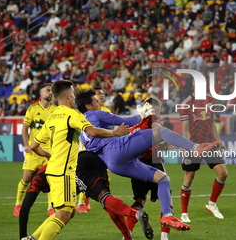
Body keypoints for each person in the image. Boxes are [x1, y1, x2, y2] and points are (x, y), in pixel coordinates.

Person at [77, 89, 221, 231]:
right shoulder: (94, 113)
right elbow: (126, 121)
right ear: (88, 106)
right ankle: (195, 147)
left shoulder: (81, 128)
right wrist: (141, 114)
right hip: (119, 149)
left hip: (114, 163)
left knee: (162, 178)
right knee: (161, 132)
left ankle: (166, 217)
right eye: (96, 101)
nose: (99, 102)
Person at [22, 80, 131, 240]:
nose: (74, 98)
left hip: (52, 171)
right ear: (67, 96)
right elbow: (92, 131)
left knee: (68, 212)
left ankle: (31, 238)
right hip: (64, 173)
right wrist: (116, 133)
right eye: (73, 94)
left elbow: (33, 146)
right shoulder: (72, 114)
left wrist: (49, 156)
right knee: (63, 215)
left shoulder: (52, 117)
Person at [20, 151, 151, 240]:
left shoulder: (37, 180)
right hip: (91, 157)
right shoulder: (55, 173)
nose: (45, 192)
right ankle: (128, 237)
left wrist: (22, 235)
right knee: (105, 201)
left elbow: (25, 208)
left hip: (78, 166)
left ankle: (135, 213)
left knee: (64, 214)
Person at [178, 78, 228, 223]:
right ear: (193, 83)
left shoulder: (211, 100)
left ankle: (211, 204)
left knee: (223, 173)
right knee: (189, 178)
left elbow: (212, 124)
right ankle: (184, 214)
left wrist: (218, 141)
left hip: (210, 144)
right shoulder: (186, 104)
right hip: (194, 146)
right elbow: (185, 129)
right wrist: (186, 146)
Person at [126, 97, 175, 240]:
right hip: (153, 162)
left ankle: (127, 235)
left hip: (136, 164)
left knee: (139, 200)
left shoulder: (134, 123)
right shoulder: (154, 119)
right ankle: (164, 237)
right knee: (166, 201)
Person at [14, 83, 57, 217]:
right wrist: (26, 145)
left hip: (49, 151)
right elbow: (25, 128)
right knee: (26, 178)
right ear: (41, 93)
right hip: (34, 150)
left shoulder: (55, 110)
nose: (50, 93)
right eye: (48, 90)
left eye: (52, 91)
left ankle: (50, 207)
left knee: (51, 179)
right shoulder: (33, 109)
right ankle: (18, 205)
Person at [76, 86, 111, 213]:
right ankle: (80, 202)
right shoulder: (84, 113)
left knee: (105, 175)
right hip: (89, 147)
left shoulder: (106, 110)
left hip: (104, 148)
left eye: (102, 94)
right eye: (98, 94)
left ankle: (91, 199)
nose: (101, 96)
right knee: (87, 176)